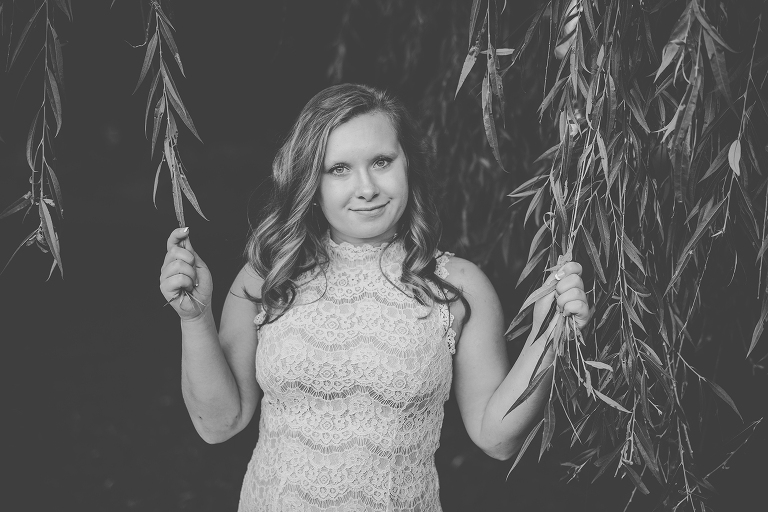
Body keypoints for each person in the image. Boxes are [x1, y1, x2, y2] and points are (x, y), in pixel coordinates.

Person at [158, 84, 591, 511]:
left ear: (408, 165)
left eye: (381, 161)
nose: (366, 187)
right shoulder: (268, 278)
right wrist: (195, 319)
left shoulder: (457, 286)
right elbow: (219, 424)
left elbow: (496, 438)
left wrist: (547, 335)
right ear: (311, 182)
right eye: (339, 169)